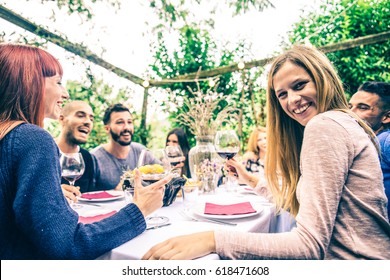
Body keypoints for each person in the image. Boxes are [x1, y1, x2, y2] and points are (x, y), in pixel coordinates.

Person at [142, 45, 390, 260]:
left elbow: (308, 245)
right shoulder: (341, 124)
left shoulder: (325, 126)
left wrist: (212, 240)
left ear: (322, 78)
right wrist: (252, 181)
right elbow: (308, 206)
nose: (292, 100)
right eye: (282, 94)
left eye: (300, 85)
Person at [0, 43, 170, 259]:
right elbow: (69, 244)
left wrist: (47, 194)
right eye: (58, 82)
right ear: (30, 82)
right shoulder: (33, 139)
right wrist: (139, 210)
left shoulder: (9, 139)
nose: (65, 92)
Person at [91, 103, 160, 190]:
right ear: (107, 129)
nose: (127, 127)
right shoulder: (94, 158)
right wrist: (118, 191)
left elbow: (162, 172)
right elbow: (87, 196)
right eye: (120, 122)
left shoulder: (141, 151)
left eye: (129, 122)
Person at [349, 81, 390, 220]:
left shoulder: (385, 140)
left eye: (362, 107)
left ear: (386, 117)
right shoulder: (365, 143)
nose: (351, 113)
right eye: (350, 106)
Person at [56, 100, 97, 202]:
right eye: (80, 116)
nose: (88, 122)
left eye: (91, 119)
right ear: (62, 119)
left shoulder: (87, 157)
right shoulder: (44, 152)